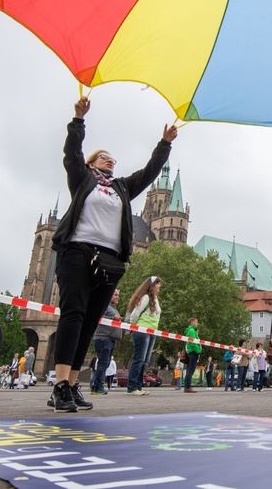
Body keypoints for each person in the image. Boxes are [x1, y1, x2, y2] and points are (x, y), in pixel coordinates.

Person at [47, 96, 176, 413]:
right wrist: (78, 121)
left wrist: (164, 143)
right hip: (77, 252)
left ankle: (73, 384)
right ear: (92, 163)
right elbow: (71, 154)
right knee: (74, 315)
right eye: (104, 157)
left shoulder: (120, 187)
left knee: (90, 322)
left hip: (109, 261)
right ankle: (60, 385)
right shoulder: (82, 179)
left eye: (113, 159)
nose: (111, 161)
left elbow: (147, 174)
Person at [125, 276, 161, 395]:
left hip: (151, 333)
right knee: (138, 359)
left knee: (145, 361)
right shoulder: (145, 298)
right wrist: (133, 327)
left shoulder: (155, 299)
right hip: (142, 331)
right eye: (158, 284)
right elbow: (134, 315)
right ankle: (132, 387)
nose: (159, 286)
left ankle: (139, 386)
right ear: (152, 286)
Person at [90, 289, 122, 395]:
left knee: (105, 363)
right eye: (115, 295)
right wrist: (113, 317)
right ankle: (97, 387)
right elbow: (98, 317)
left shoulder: (113, 308)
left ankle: (96, 386)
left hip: (110, 339)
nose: (117, 297)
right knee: (103, 364)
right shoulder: (104, 306)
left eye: (118, 295)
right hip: (103, 339)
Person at [182, 318, 203, 393]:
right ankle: (188, 387)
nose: (197, 323)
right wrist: (198, 350)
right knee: (190, 370)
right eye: (196, 322)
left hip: (191, 352)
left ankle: (187, 387)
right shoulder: (191, 331)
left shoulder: (192, 330)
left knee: (189, 370)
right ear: (192, 322)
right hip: (193, 352)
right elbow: (193, 343)